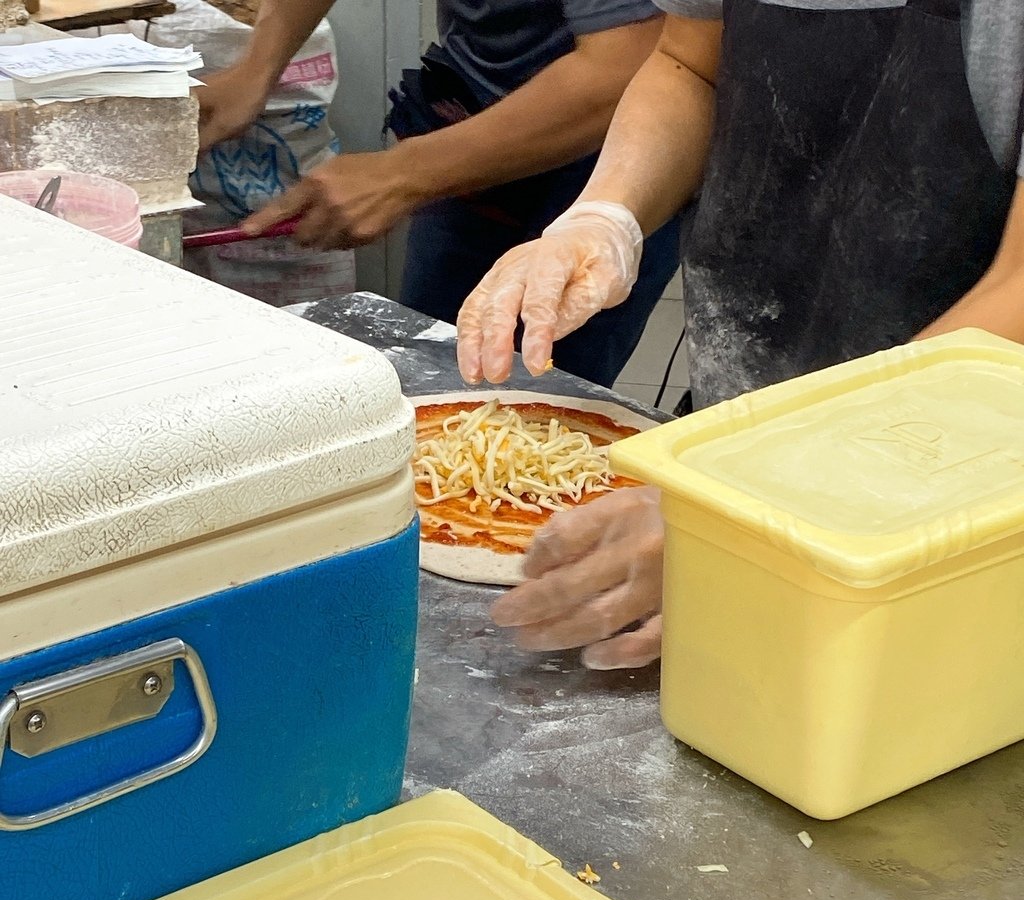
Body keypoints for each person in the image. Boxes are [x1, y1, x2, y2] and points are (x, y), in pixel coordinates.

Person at [457, 0, 1024, 670]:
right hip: (745, 427)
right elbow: (687, 62)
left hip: (956, 500)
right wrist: (606, 213)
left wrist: (756, 494)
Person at [202, 0, 684, 388]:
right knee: (426, 380)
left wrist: (402, 175)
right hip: (466, 112)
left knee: (532, 424)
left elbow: (629, 62)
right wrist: (257, 69)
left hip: (604, 166)